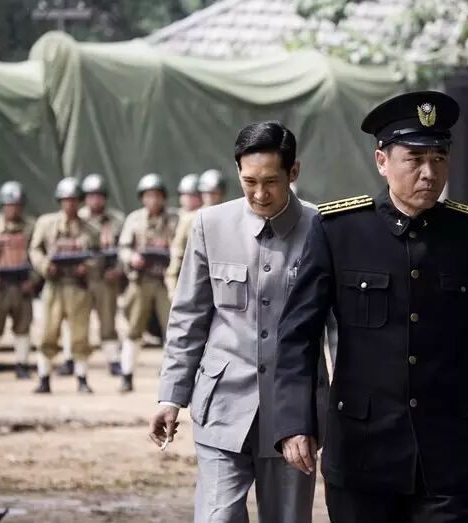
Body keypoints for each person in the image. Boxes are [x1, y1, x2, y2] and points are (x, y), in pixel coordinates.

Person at [273, 91, 468, 523]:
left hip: (451, 454)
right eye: (414, 159)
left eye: (439, 158)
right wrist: (294, 422)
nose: (429, 172)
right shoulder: (340, 231)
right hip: (363, 452)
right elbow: (297, 336)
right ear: (382, 161)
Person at [151, 121, 326, 522]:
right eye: (249, 182)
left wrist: (336, 410)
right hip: (222, 406)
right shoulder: (209, 225)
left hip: (294, 415)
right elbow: (188, 317)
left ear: (293, 172)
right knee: (217, 516)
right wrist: (170, 396)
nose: (260, 194)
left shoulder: (321, 227)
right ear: (237, 172)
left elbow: (338, 328)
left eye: (271, 182)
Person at [29, 177, 99, 394]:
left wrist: (87, 266)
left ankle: (82, 378)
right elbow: (35, 249)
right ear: (60, 201)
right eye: (66, 200)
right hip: (54, 285)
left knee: (80, 335)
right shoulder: (46, 224)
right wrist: (44, 265)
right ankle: (44, 378)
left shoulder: (90, 229)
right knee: (47, 333)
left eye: (74, 200)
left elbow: (98, 255)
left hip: (78, 287)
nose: (70, 204)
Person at [118, 174, 177, 393]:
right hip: (141, 280)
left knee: (172, 328)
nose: (153, 200)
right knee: (134, 329)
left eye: (157, 196)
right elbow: (123, 247)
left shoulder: (174, 219)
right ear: (142, 198)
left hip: (165, 281)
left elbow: (181, 245)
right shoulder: (134, 219)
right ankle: (126, 374)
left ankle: (171, 378)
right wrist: (132, 257)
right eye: (149, 196)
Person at [78, 173, 126, 376]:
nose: (95, 200)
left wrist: (118, 270)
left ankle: (113, 359)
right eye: (91, 196)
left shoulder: (116, 220)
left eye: (99, 196)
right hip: (81, 280)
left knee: (108, 321)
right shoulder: (77, 219)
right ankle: (73, 360)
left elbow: (125, 249)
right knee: (78, 322)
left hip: (106, 278)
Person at [0, 181, 39, 380]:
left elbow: (38, 253)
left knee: (23, 326)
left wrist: (34, 279)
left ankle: (22, 364)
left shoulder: (31, 226)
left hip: (22, 283)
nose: (14, 209)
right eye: (10, 205)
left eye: (17, 205)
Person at [164, 169, 226, 298]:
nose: (210, 196)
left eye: (215, 193)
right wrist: (172, 287)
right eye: (206, 192)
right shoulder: (191, 219)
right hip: (197, 279)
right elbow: (178, 253)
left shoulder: (230, 216)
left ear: (221, 193)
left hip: (224, 279)